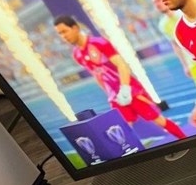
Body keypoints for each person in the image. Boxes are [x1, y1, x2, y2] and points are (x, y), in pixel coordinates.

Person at [53, 15, 186, 139]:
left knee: (160, 121)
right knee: (123, 131)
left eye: (64, 31)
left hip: (132, 91)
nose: (63, 36)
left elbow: (121, 64)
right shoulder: (77, 54)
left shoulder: (99, 43)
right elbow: (97, 75)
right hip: (115, 98)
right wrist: (109, 94)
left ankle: (184, 139)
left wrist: (125, 89)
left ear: (75, 28)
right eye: (59, 33)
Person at [153, 0, 196, 88]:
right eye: (154, 3)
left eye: (158, 1)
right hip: (192, 63)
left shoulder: (184, 13)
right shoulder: (163, 25)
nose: (157, 5)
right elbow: (175, 45)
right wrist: (185, 65)